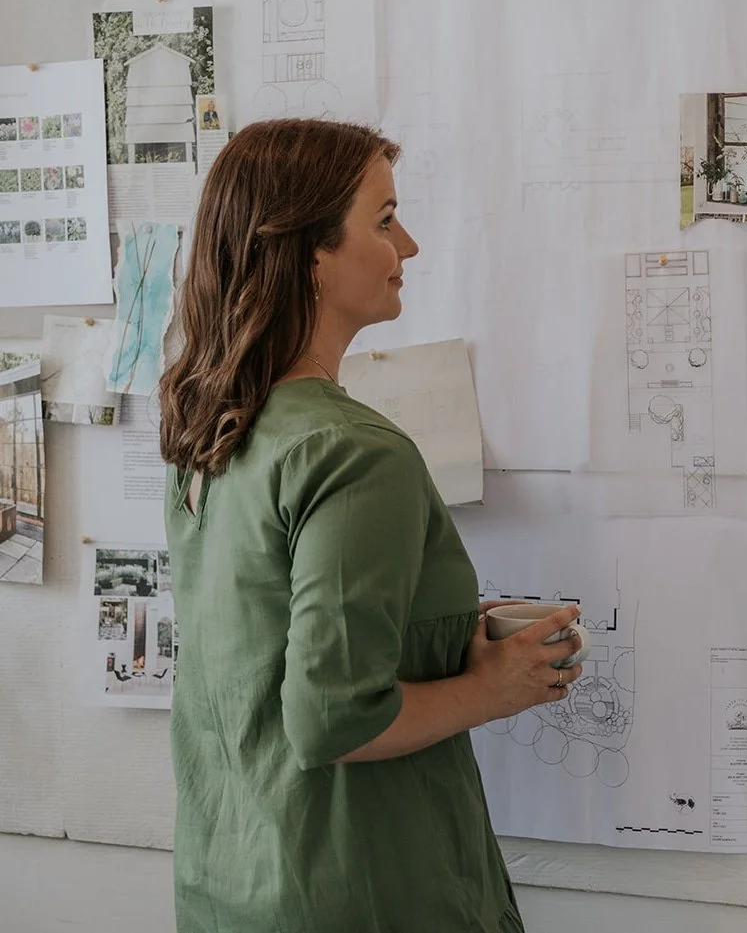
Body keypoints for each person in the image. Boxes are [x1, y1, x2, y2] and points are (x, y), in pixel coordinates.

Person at [158, 118, 584, 933]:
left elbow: (262, 644)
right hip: (360, 892)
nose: (408, 246)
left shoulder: (207, 436)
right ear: (307, 252)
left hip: (228, 883)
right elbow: (334, 717)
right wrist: (491, 689)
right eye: (384, 220)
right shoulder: (355, 452)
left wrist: (443, 633)